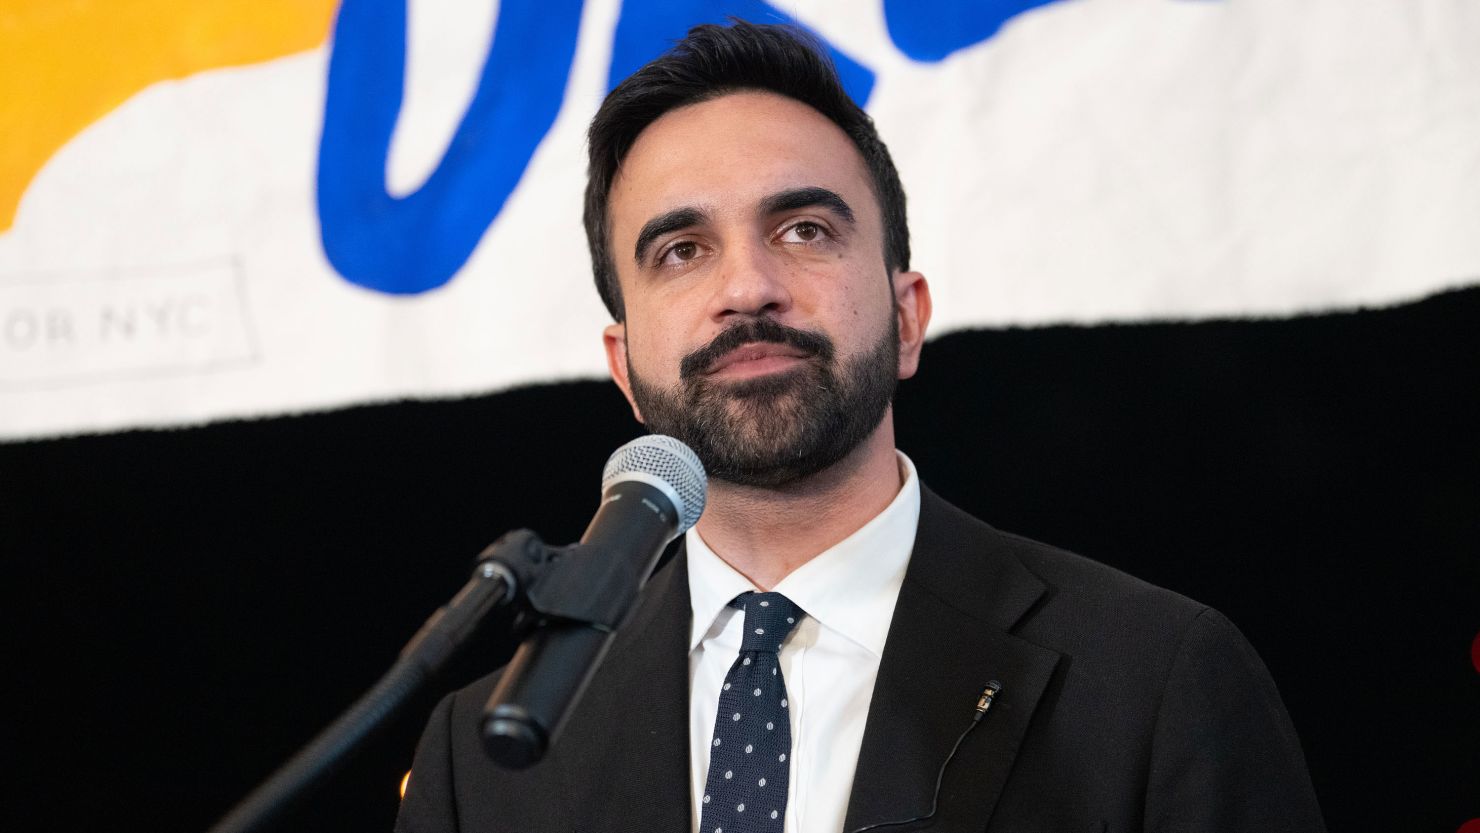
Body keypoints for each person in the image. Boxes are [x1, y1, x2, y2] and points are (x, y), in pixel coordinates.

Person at [396, 21, 1326, 833]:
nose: (746, 287)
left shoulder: (1155, 681)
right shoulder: (483, 758)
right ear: (623, 366)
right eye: (682, 250)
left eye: (803, 229)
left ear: (909, 315)